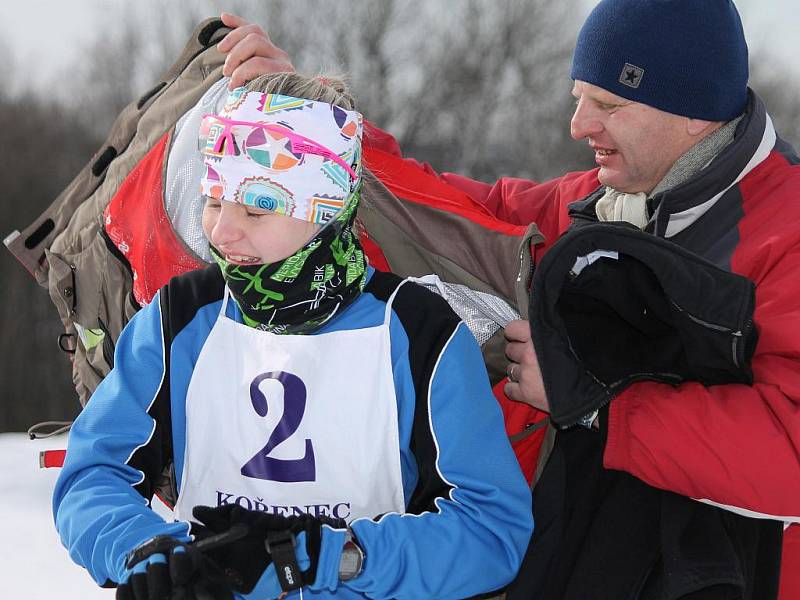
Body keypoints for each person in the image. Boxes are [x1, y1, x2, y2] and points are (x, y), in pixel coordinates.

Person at [221, 0, 800, 597]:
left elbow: (792, 452)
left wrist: (595, 400)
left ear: (693, 111)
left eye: (609, 105)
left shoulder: (788, 233)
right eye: (580, 97)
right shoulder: (592, 207)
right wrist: (319, 128)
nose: (579, 125)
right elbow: (444, 219)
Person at [52, 71, 532, 600]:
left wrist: (324, 558)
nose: (222, 232)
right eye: (213, 200)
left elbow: (492, 532)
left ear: (329, 209)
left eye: (258, 207)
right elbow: (92, 474)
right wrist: (147, 554)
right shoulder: (179, 318)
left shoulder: (419, 332)